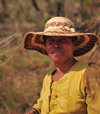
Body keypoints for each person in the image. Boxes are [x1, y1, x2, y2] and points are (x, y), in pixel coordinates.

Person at [23, 17, 100, 114]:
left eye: (63, 40)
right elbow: (41, 105)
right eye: (50, 41)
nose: (56, 45)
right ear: (46, 46)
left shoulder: (88, 73)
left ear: (74, 44)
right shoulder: (48, 78)